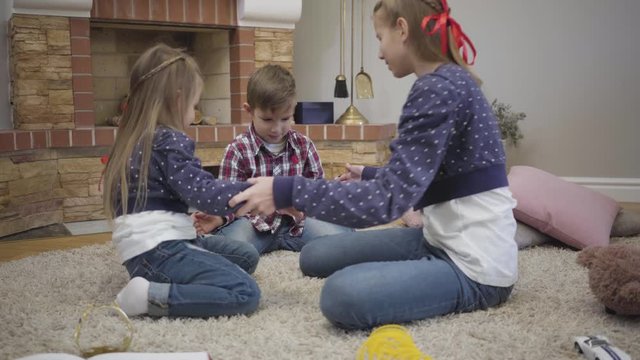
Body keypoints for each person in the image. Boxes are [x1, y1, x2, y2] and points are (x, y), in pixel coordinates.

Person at [228, 0, 518, 330]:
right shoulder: (448, 81)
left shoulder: (437, 89)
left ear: (402, 30)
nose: (379, 52)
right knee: (316, 256)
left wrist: (285, 190)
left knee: (341, 295)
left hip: (475, 266)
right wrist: (368, 173)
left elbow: (384, 203)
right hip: (438, 238)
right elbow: (430, 173)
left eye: (379, 37)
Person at [102, 43, 260, 318]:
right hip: (161, 251)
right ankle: (149, 297)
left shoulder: (132, 139)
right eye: (194, 103)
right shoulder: (169, 140)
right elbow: (204, 193)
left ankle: (162, 278)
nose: (194, 111)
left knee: (245, 256)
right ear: (178, 100)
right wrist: (255, 191)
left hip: (145, 252)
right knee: (245, 292)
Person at [192, 64, 353, 254]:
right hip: (253, 225)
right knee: (235, 250)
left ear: (294, 109)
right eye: (267, 120)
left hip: (297, 226)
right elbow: (231, 201)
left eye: (285, 119)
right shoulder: (237, 150)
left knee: (345, 241)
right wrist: (219, 217)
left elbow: (316, 191)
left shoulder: (304, 145)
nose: (276, 128)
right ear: (249, 111)